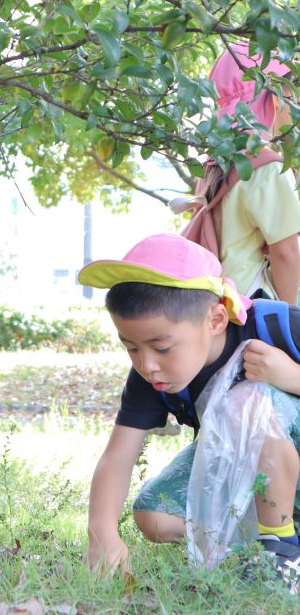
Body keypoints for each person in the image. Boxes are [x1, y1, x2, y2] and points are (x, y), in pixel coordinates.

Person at [79, 233, 300, 578]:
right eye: (132, 348)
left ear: (215, 321)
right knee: (154, 515)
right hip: (252, 478)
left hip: (289, 457)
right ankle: (244, 549)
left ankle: (280, 554)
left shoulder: (279, 325)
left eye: (162, 347)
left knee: (243, 403)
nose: (147, 364)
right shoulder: (153, 377)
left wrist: (292, 378)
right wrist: (102, 534)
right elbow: (117, 457)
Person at [196, 43, 300, 303]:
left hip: (218, 304)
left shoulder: (213, 163)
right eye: (294, 95)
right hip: (254, 309)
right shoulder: (268, 168)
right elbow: (286, 252)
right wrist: (289, 318)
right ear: (275, 98)